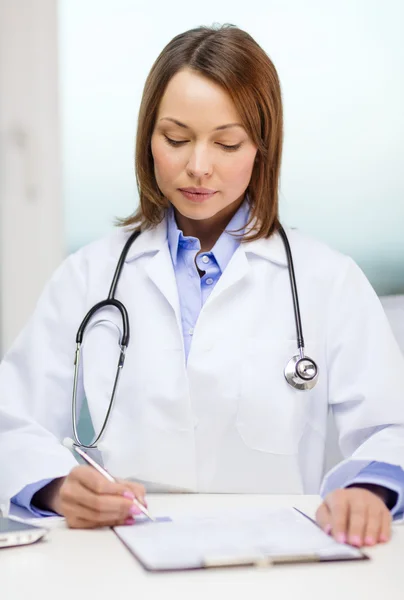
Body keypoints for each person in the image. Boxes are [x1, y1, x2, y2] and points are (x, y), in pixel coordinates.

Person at [1, 24, 404, 546]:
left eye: (227, 142)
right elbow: (11, 422)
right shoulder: (87, 277)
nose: (198, 166)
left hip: (279, 563)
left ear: (262, 145)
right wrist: (57, 488)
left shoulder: (329, 282)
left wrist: (369, 491)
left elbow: (390, 429)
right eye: (176, 138)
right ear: (148, 139)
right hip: (114, 558)